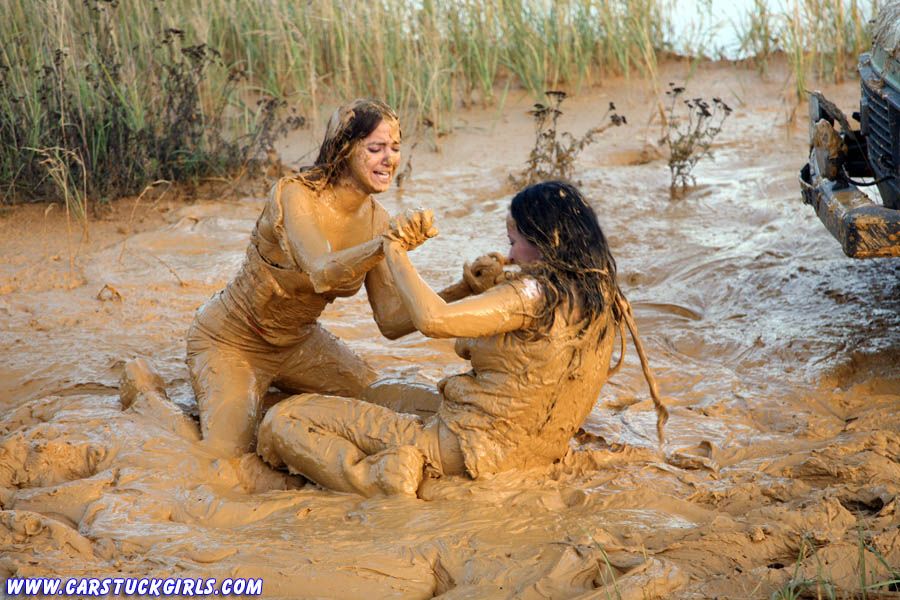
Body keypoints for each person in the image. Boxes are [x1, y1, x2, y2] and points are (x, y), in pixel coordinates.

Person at [256, 180, 668, 497]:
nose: (507, 257)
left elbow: (433, 320)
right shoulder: (604, 296)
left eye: (514, 243)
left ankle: (378, 479)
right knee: (381, 392)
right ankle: (393, 461)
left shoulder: (529, 295)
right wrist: (469, 287)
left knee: (284, 420)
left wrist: (394, 250)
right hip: (534, 453)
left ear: (548, 241)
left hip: (469, 450)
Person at [184, 99, 487, 457]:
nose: (389, 159)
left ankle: (268, 395)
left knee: (380, 397)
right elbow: (320, 270)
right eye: (375, 148)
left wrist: (464, 288)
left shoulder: (377, 219)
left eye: (395, 148)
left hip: (299, 344)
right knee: (227, 456)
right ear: (343, 150)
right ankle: (144, 392)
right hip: (231, 340)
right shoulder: (294, 193)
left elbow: (391, 321)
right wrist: (387, 244)